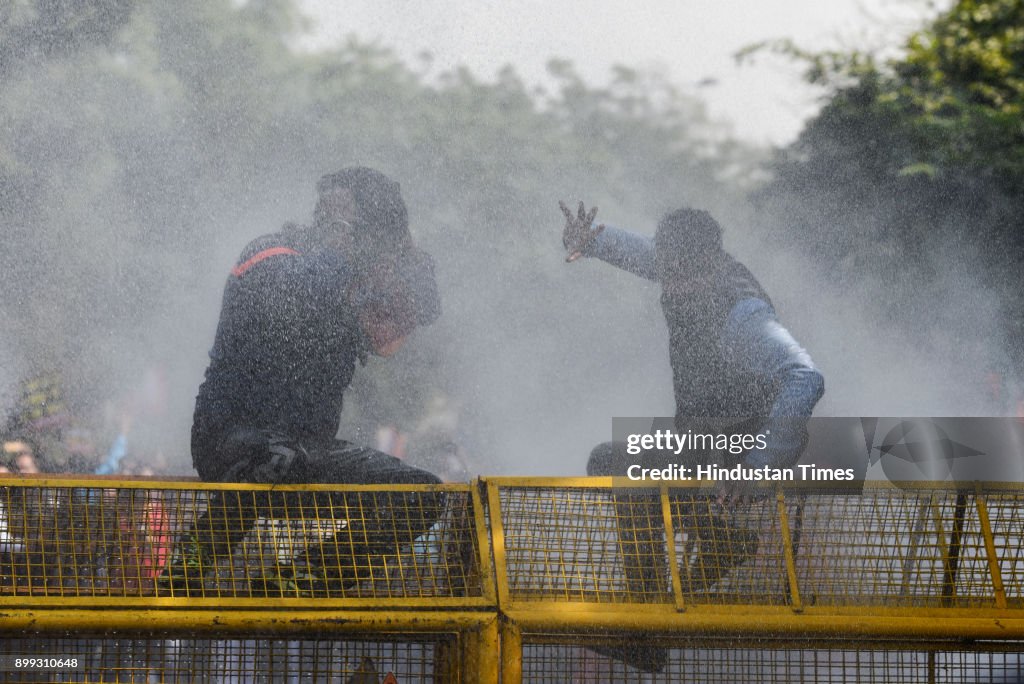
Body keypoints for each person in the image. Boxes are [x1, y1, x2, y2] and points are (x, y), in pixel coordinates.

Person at [560, 201, 825, 673]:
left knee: (631, 477)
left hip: (742, 448)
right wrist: (593, 242)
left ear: (709, 265)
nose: (674, 288)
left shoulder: (741, 309)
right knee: (608, 461)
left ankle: (647, 629)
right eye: (669, 274)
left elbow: (805, 378)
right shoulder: (675, 265)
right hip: (705, 443)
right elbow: (642, 254)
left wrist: (758, 467)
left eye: (684, 277)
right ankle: (717, 543)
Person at [159, 167, 445, 597]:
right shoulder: (270, 254)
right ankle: (192, 559)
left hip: (305, 454)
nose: (333, 220)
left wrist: (407, 255)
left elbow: (422, 309)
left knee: (422, 495)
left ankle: (293, 581)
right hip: (231, 442)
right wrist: (340, 251)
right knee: (276, 456)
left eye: (352, 220)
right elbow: (295, 296)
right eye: (329, 212)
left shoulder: (353, 285)